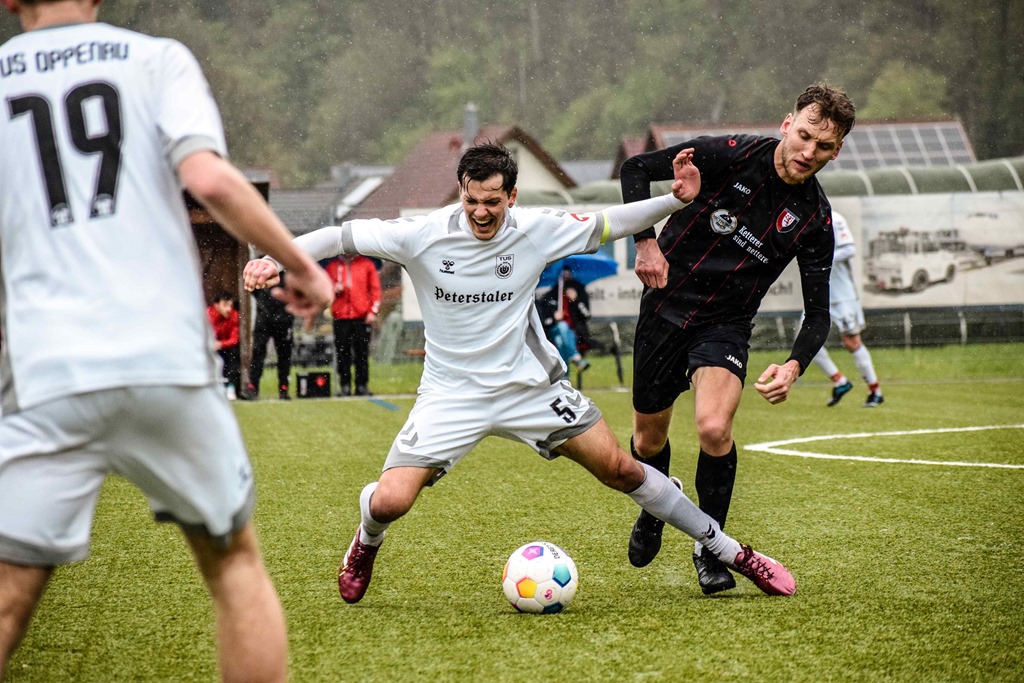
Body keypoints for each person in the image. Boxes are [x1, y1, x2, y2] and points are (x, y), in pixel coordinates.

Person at [244, 142, 797, 606]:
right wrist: (276, 258)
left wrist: (675, 200)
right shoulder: (422, 234)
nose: (481, 213)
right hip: (450, 396)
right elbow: (338, 237)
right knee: (389, 502)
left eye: (492, 202)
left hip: (531, 389)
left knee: (622, 470)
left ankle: (731, 551)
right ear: (460, 192)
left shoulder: (536, 229)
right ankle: (365, 542)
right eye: (471, 201)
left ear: (511, 196)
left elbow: (612, 222)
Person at [0, 2, 333, 681]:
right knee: (233, 564)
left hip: (46, 368)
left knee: (9, 593)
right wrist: (299, 264)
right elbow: (207, 178)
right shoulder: (155, 60)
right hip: (164, 358)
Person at [620, 82, 856, 595]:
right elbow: (634, 168)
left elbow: (819, 313)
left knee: (713, 428)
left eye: (824, 146)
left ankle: (711, 550)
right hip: (665, 306)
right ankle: (657, 505)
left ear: (836, 152)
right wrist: (645, 244)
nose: (809, 151)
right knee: (647, 441)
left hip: (724, 325)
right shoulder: (730, 154)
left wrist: (793, 365)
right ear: (787, 124)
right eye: (805, 135)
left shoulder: (815, 219)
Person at [811, 210, 884, 407]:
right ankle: (840, 381)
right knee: (807, 342)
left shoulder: (834, 218)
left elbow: (849, 249)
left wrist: (824, 258)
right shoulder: (802, 217)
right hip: (817, 295)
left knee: (852, 342)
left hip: (842, 296)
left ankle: (875, 391)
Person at [325, 254, 381, 396]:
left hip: (361, 317)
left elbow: (375, 290)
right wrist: (333, 289)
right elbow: (324, 289)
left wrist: (372, 311)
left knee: (361, 352)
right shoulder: (332, 266)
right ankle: (345, 385)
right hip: (341, 316)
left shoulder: (367, 265)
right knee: (342, 352)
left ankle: (361, 385)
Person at [246, 280, 296, 400]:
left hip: (284, 319)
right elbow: (253, 287)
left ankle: (283, 388)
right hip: (264, 318)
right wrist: (264, 302)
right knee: (258, 352)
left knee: (284, 355)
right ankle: (253, 387)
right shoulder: (262, 270)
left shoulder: (288, 272)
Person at [537, 265, 593, 373]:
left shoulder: (580, 292)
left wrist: (576, 300)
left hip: (576, 334)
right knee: (562, 327)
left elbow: (587, 315)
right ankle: (576, 357)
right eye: (563, 275)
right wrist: (554, 318)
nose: (566, 277)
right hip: (553, 331)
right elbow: (544, 322)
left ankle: (564, 376)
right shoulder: (551, 295)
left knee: (560, 341)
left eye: (568, 274)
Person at [207, 292, 241, 400]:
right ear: (216, 305)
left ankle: (230, 387)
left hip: (225, 347)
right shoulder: (208, 315)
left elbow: (235, 339)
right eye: (225, 305)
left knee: (234, 353)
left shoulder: (234, 315)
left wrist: (221, 344)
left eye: (230, 305)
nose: (228, 309)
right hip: (211, 347)